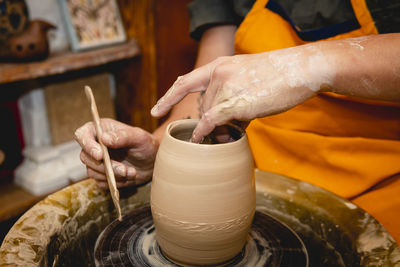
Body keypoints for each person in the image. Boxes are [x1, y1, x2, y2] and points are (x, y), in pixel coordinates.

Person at [74, 0, 400, 244]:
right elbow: (213, 78)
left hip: (379, 186)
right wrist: (162, 150)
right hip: (254, 177)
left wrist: (311, 65)